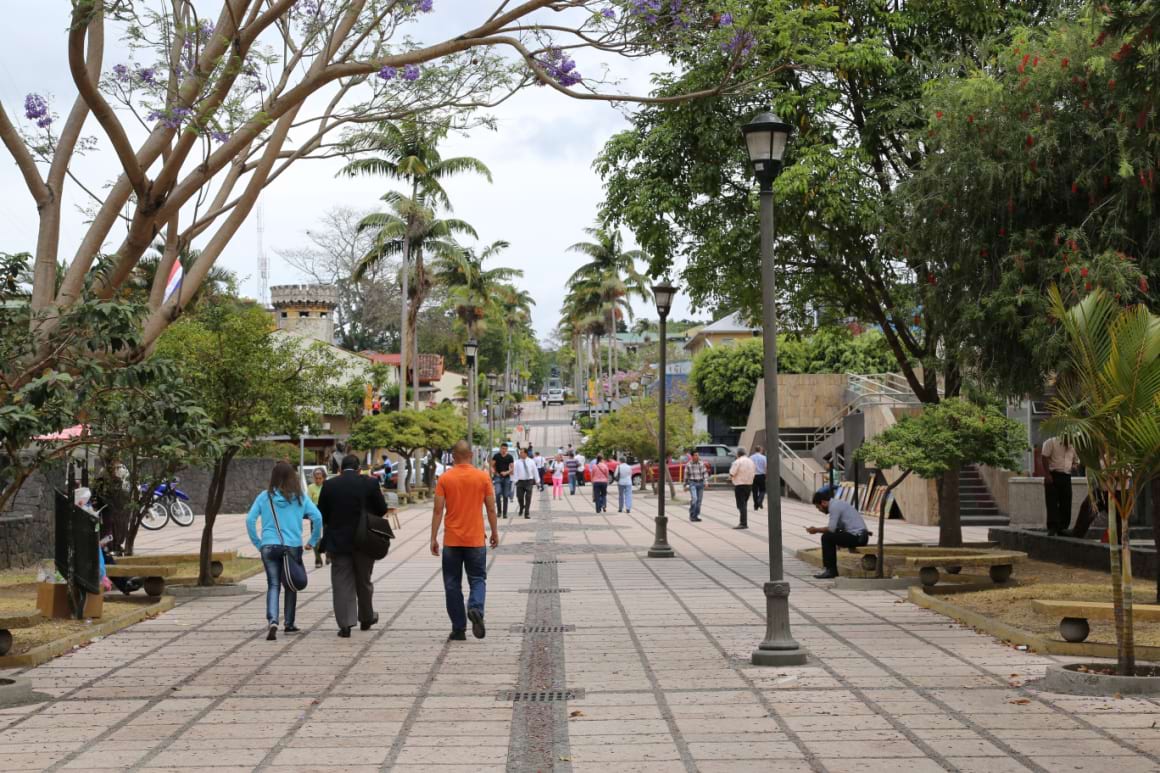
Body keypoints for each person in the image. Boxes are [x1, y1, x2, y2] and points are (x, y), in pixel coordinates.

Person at [431, 440, 499, 641]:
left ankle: (458, 628)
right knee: (477, 579)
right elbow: (491, 508)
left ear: (453, 456)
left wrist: (433, 537)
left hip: (451, 540)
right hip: (475, 539)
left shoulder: (445, 478)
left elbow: (437, 510)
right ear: (470, 454)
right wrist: (494, 532)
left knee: (452, 584)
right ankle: (475, 608)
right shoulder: (482, 477)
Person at [247, 461, 321, 641]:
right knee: (291, 583)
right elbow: (317, 517)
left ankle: (273, 620)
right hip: (292, 547)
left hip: (269, 546)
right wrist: (312, 541)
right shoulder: (300, 497)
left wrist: (259, 543)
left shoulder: (264, 497)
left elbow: (250, 520)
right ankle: (289, 623)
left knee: (273, 584)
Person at [318, 453, 389, 638]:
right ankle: (366, 617)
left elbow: (322, 513)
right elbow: (381, 509)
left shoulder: (330, 485)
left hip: (338, 541)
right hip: (364, 540)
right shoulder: (370, 483)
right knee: (364, 581)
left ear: (340, 470)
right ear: (359, 469)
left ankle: (345, 624)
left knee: (341, 583)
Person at [807, 488, 870, 579]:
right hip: (859, 536)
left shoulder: (834, 507)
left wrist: (815, 530)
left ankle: (830, 570)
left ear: (823, 502)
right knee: (830, 536)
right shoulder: (837, 504)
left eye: (818, 507)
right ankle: (830, 570)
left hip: (859, 537)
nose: (819, 510)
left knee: (826, 537)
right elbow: (837, 528)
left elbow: (831, 529)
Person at [1041, 435, 1079, 536]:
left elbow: (1076, 461)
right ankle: (1052, 527)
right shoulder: (1051, 442)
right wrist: (1047, 475)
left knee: (1066, 502)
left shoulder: (1072, 447)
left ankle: (1063, 528)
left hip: (1066, 476)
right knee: (1052, 502)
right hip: (1053, 475)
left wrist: (1073, 467)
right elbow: (1044, 457)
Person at [729, 447, 756, 530]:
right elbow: (754, 472)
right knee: (744, 504)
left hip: (740, 485)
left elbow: (732, 473)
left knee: (741, 505)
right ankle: (744, 522)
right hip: (749, 485)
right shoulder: (751, 461)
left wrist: (730, 478)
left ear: (738, 454)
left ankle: (743, 523)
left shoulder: (737, 462)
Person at [306, 468, 328, 568]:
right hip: (315, 514)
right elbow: (308, 502)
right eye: (316, 478)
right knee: (315, 537)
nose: (318, 480)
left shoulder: (327, 486)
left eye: (320, 478)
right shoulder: (311, 487)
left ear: (324, 478)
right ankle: (318, 559)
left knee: (327, 535)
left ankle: (328, 554)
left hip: (326, 513)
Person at [490, 443, 515, 518]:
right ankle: (499, 511)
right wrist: (494, 472)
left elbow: (512, 469)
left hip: (506, 477)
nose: (503, 450)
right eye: (502, 448)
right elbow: (491, 466)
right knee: (497, 493)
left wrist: (506, 472)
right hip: (498, 477)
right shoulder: (496, 456)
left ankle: (505, 513)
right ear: (500, 448)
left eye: (505, 449)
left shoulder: (510, 457)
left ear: (507, 449)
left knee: (505, 495)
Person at [513, 447, 537, 518]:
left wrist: (538, 480)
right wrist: (515, 480)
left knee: (528, 497)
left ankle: (527, 513)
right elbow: (515, 472)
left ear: (526, 453)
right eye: (520, 453)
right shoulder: (517, 462)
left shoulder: (531, 461)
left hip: (529, 481)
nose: (520, 454)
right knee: (519, 497)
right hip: (520, 482)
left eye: (522, 452)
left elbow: (535, 471)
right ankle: (521, 506)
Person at [684, 451, 708, 522]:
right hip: (692, 483)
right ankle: (692, 514)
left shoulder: (701, 463)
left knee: (699, 501)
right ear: (692, 456)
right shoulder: (688, 465)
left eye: (698, 455)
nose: (697, 456)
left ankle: (696, 515)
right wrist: (685, 485)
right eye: (696, 455)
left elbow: (705, 473)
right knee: (694, 499)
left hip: (700, 483)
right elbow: (686, 476)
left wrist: (706, 482)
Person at [751, 446, 768, 510]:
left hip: (753, 476)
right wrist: (766, 475)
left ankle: (756, 506)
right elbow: (766, 467)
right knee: (762, 490)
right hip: (761, 475)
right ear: (760, 450)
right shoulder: (764, 457)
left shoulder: (751, 457)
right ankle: (759, 500)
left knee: (754, 491)